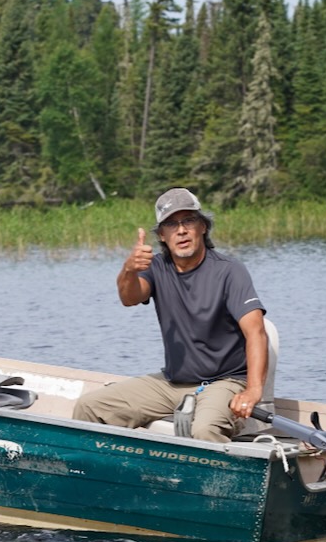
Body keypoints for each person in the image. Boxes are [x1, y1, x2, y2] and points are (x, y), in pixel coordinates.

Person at [72, 187, 268, 442]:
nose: (181, 230)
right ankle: (98, 466)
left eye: (189, 220)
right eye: (171, 224)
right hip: (172, 383)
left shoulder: (229, 270)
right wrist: (129, 270)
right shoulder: (156, 267)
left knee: (204, 430)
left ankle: (217, 471)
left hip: (225, 382)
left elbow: (256, 332)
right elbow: (129, 298)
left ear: (203, 227)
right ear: (162, 236)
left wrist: (253, 391)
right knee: (89, 407)